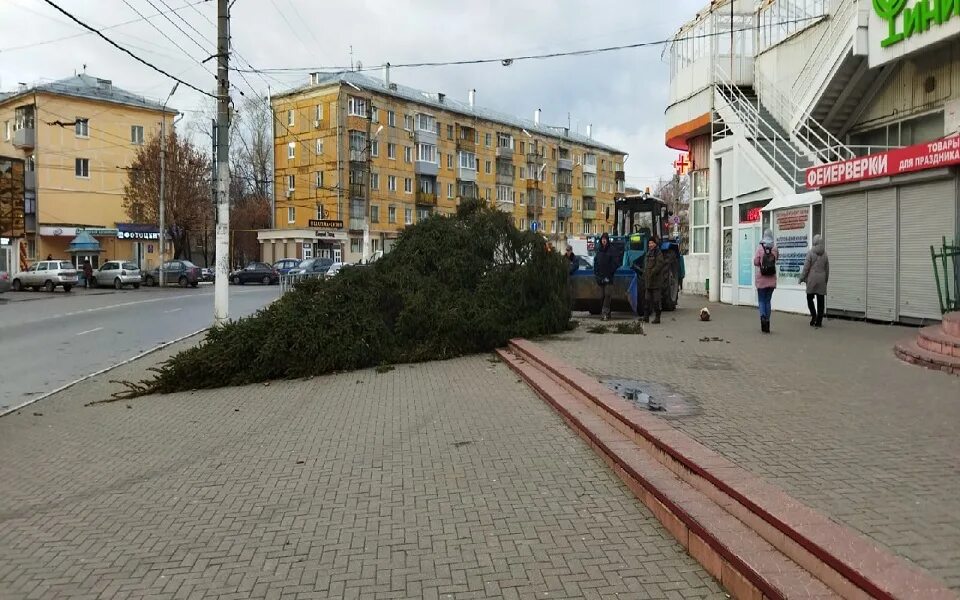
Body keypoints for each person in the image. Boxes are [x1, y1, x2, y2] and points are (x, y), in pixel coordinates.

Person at [799, 234, 829, 328]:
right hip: (821, 280)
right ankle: (819, 321)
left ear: (814, 242)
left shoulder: (810, 253)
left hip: (812, 279)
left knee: (809, 298)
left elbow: (806, 268)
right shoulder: (825, 254)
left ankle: (814, 316)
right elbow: (827, 269)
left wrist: (801, 278)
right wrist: (825, 281)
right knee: (821, 300)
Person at [753, 229, 779, 333]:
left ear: (764, 236)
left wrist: (761, 262)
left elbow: (755, 262)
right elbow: (777, 259)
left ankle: (762, 317)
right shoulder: (775, 248)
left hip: (761, 279)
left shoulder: (760, 247)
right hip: (771, 279)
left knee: (761, 300)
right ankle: (767, 322)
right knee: (768, 300)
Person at [594, 232, 618, 321]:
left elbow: (615, 263)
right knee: (601, 296)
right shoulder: (599, 251)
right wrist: (597, 274)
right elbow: (596, 263)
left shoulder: (612, 250)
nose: (604, 241)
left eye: (605, 239)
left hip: (609, 277)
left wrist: (609, 274)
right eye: (602, 239)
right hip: (600, 277)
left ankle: (604, 313)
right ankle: (608, 313)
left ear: (607, 240)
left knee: (607, 295)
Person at [643, 237, 666, 324]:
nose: (650, 245)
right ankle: (646, 317)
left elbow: (660, 264)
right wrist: (645, 274)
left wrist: (652, 272)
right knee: (647, 299)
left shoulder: (658, 253)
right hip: (648, 281)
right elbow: (646, 265)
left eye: (652, 243)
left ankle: (657, 317)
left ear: (655, 244)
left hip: (656, 281)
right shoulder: (648, 253)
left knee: (656, 300)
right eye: (649, 243)